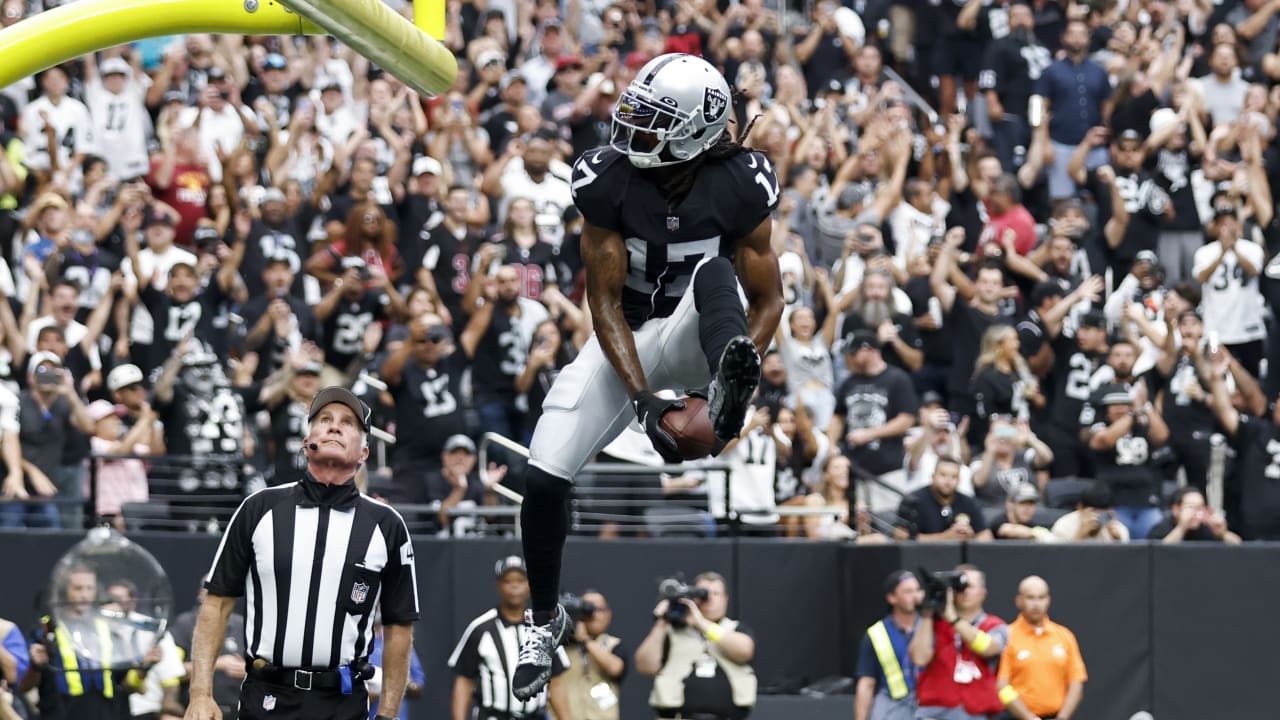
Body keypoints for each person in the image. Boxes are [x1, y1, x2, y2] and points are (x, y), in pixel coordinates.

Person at [511, 53, 783, 698]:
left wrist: (734, 370)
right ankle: (543, 619)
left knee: (716, 275)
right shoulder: (607, 180)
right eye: (634, 108)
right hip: (625, 343)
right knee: (542, 475)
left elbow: (769, 301)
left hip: (702, 331)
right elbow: (601, 302)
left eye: (653, 118)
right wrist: (642, 400)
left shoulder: (741, 185)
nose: (630, 125)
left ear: (696, 130)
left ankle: (726, 390)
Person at [184, 387, 418, 720]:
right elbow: (216, 604)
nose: (334, 427)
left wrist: (388, 715)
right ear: (306, 441)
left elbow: (399, 627)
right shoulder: (259, 508)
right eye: (324, 419)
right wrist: (200, 694)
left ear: (365, 452)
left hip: (343, 702)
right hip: (266, 697)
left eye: (348, 423)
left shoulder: (387, 525)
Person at [448, 556, 571, 720]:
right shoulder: (480, 628)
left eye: (521, 580)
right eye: (508, 581)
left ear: (529, 585)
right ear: (499, 585)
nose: (514, 586)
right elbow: (464, 682)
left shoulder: (545, 629)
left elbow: (556, 683)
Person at [635, 571, 756, 720]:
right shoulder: (673, 631)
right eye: (703, 593)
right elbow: (645, 666)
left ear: (726, 598)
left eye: (716, 594)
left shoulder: (735, 629)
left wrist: (701, 623)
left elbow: (744, 651)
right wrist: (662, 622)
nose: (709, 598)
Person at [909, 565, 1008, 720]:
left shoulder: (995, 625)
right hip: (934, 712)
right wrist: (928, 613)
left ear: (983, 592)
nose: (965, 591)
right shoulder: (933, 623)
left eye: (970, 586)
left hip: (974, 712)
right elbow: (919, 658)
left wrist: (953, 618)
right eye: (960, 586)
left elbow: (989, 648)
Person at [997, 576, 1087, 720]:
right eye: (1030, 598)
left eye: (1041, 597)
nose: (1036, 604)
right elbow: (1002, 686)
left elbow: (1076, 682)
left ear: (1048, 600)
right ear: (1019, 601)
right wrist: (1028, 717)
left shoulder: (1064, 636)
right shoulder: (1007, 636)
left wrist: (1063, 717)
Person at [170, 577, 246, 720]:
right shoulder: (184, 625)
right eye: (212, 591)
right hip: (199, 713)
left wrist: (247, 671)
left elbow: (263, 665)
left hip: (238, 710)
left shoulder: (241, 625)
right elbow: (171, 671)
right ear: (201, 593)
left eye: (224, 591)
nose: (218, 596)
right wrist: (217, 664)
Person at [854, 570, 923, 720]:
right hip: (892, 704)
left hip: (928, 706)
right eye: (908, 591)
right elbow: (866, 682)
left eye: (918, 590)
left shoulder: (931, 626)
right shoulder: (876, 633)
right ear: (892, 598)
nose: (915, 596)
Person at [560, 591, 627, 720]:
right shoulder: (562, 645)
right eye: (588, 609)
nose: (594, 615)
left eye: (599, 610)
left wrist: (585, 640)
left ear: (608, 615)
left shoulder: (614, 644)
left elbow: (615, 668)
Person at [894, 457, 993, 542]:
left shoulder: (968, 502)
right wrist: (945, 537)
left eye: (954, 476)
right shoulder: (913, 501)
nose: (948, 481)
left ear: (959, 480)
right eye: (943, 475)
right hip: (921, 558)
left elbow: (986, 535)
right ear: (933, 476)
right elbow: (900, 537)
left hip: (959, 559)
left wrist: (971, 537)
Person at [1147, 486, 1242, 544]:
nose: (1196, 513)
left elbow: (1240, 548)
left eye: (1200, 508)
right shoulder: (1162, 527)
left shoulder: (1205, 528)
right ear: (1176, 509)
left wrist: (1223, 533)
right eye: (1191, 507)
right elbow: (1158, 554)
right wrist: (1182, 528)